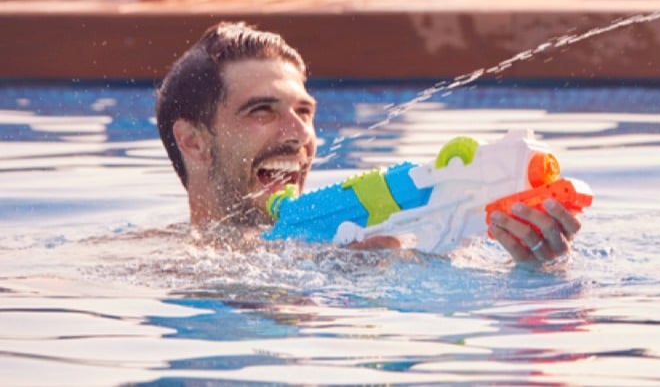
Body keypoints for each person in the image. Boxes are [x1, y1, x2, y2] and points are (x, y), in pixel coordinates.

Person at [156, 21, 581, 264]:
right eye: (261, 111)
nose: (300, 134)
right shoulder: (167, 266)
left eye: (304, 112)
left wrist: (537, 270)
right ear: (193, 142)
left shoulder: (386, 234)